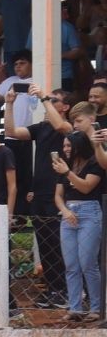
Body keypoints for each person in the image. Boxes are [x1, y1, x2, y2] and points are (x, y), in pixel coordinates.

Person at [51, 130, 104, 321]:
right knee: (71, 264)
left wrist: (67, 172)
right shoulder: (64, 166)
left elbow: (86, 186)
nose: (65, 149)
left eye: (69, 146)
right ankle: (75, 308)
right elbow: (57, 195)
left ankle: (97, 307)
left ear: (78, 146)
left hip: (90, 212)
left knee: (88, 262)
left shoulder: (94, 163)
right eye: (64, 145)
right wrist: (65, 211)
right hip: (69, 213)